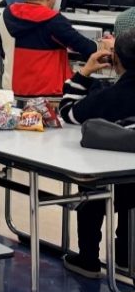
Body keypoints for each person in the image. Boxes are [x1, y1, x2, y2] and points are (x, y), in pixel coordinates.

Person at [58, 32, 135, 278]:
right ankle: (126, 255)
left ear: (116, 61)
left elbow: (68, 112)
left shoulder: (111, 97)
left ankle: (87, 259)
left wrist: (84, 72)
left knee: (93, 189)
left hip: (112, 182)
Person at [1, 0, 97, 97]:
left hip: (11, 90)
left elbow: (3, 52)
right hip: (48, 92)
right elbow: (85, 47)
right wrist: (101, 45)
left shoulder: (6, 15)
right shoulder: (53, 20)